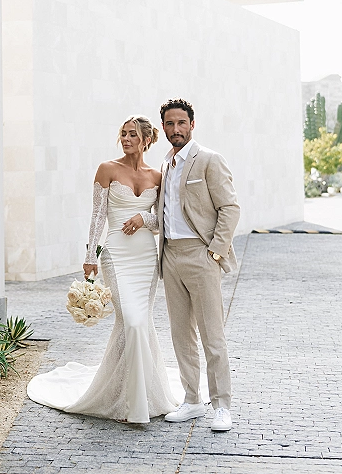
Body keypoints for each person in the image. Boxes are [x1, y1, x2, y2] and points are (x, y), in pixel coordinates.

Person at [27, 115, 179, 423]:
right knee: (131, 321)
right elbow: (97, 215)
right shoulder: (107, 169)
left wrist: (142, 219)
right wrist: (90, 255)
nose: (125, 139)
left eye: (132, 135)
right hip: (115, 252)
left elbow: (163, 217)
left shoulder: (158, 175)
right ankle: (125, 400)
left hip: (146, 257)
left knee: (138, 322)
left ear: (146, 140)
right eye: (123, 134)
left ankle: (139, 396)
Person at [157, 98, 240, 432]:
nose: (175, 129)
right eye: (169, 124)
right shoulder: (166, 165)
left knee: (212, 335)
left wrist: (215, 253)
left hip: (201, 255)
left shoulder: (208, 160)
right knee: (181, 335)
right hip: (170, 256)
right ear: (162, 127)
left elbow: (230, 208)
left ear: (192, 124)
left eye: (181, 123)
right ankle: (192, 400)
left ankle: (222, 406)